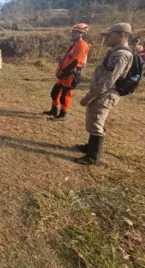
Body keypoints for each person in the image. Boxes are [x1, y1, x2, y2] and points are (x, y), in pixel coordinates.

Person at [74, 23, 134, 165]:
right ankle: (90, 147)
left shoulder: (120, 54)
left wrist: (88, 97)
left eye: (109, 35)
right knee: (93, 119)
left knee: (96, 122)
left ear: (122, 35)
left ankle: (93, 157)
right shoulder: (115, 51)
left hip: (105, 93)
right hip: (102, 92)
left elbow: (108, 80)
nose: (106, 38)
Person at [43, 24, 90, 121]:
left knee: (65, 95)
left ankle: (62, 115)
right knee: (55, 92)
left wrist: (63, 72)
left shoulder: (82, 45)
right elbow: (65, 59)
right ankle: (53, 110)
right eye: (72, 32)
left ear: (81, 34)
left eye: (75, 32)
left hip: (70, 74)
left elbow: (75, 62)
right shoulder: (73, 45)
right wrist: (59, 69)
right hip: (63, 73)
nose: (72, 34)